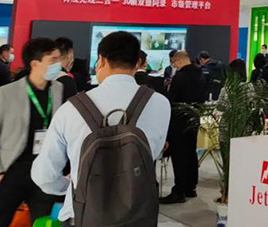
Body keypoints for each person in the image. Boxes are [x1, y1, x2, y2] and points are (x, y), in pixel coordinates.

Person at [31, 31, 171, 224]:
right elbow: (153, 152)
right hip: (137, 214)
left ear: (101, 60)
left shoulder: (72, 108)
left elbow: (44, 176)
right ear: (138, 62)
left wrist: (72, 183)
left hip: (84, 215)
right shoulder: (160, 103)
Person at [0, 38, 65, 227]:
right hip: (11, 170)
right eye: (53, 60)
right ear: (35, 64)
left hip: (44, 171)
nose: (58, 64)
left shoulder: (58, 89)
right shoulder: (6, 93)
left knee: (44, 223)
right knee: (0, 222)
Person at [161, 50, 206, 204]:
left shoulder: (179, 77)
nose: (174, 66)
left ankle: (178, 191)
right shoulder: (200, 74)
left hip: (179, 121)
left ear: (178, 61)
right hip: (194, 118)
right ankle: (190, 187)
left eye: (174, 63)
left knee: (179, 156)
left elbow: (171, 100)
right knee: (191, 153)